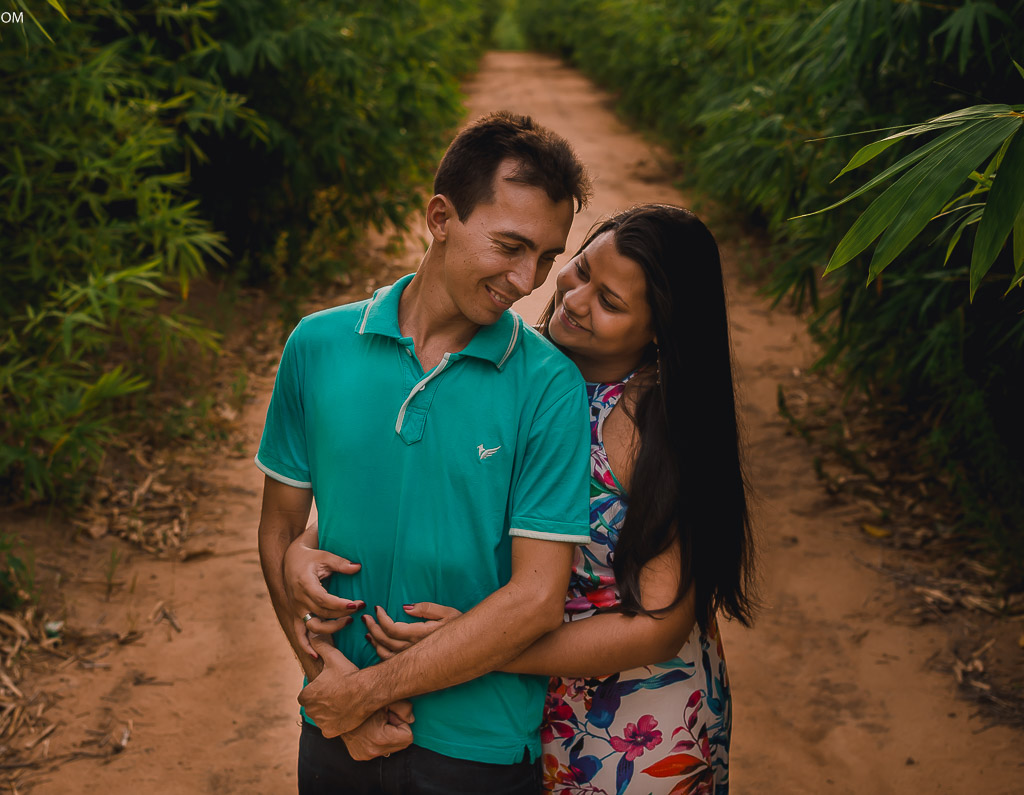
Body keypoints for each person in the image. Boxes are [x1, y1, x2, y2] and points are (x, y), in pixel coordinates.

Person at [287, 204, 757, 794]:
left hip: (636, 721)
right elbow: (440, 491)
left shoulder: (650, 427)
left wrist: (481, 648)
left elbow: (658, 627)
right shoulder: (526, 373)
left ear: (662, 328)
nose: (576, 300)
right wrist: (306, 544)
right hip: (526, 705)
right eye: (581, 270)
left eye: (610, 303)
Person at [255, 111, 595, 793]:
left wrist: (367, 690)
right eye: (510, 245)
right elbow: (280, 529)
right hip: (336, 732)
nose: (528, 279)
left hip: (480, 745)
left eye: (548, 256)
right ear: (441, 217)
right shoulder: (316, 347)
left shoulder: (549, 384)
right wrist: (331, 685)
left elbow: (535, 599)